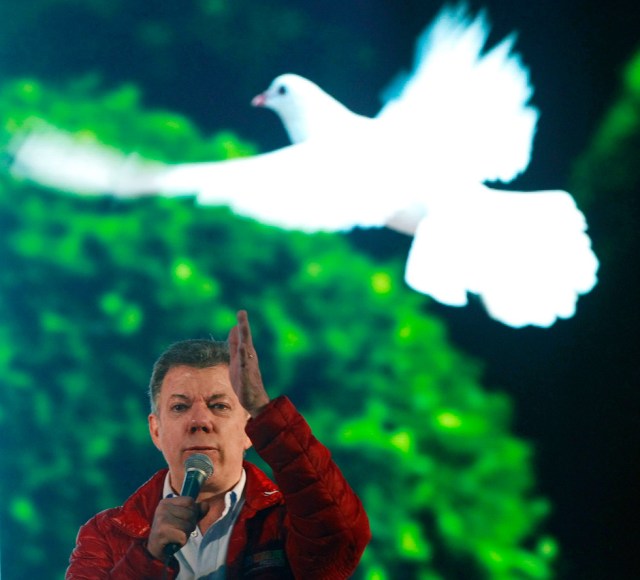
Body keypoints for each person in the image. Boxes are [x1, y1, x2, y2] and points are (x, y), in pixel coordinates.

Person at [66, 310, 371, 579]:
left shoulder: (285, 522)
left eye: (219, 406)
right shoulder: (105, 534)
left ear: (250, 429)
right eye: (180, 407)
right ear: (156, 430)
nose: (200, 421)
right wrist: (149, 557)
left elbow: (343, 538)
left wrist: (264, 409)